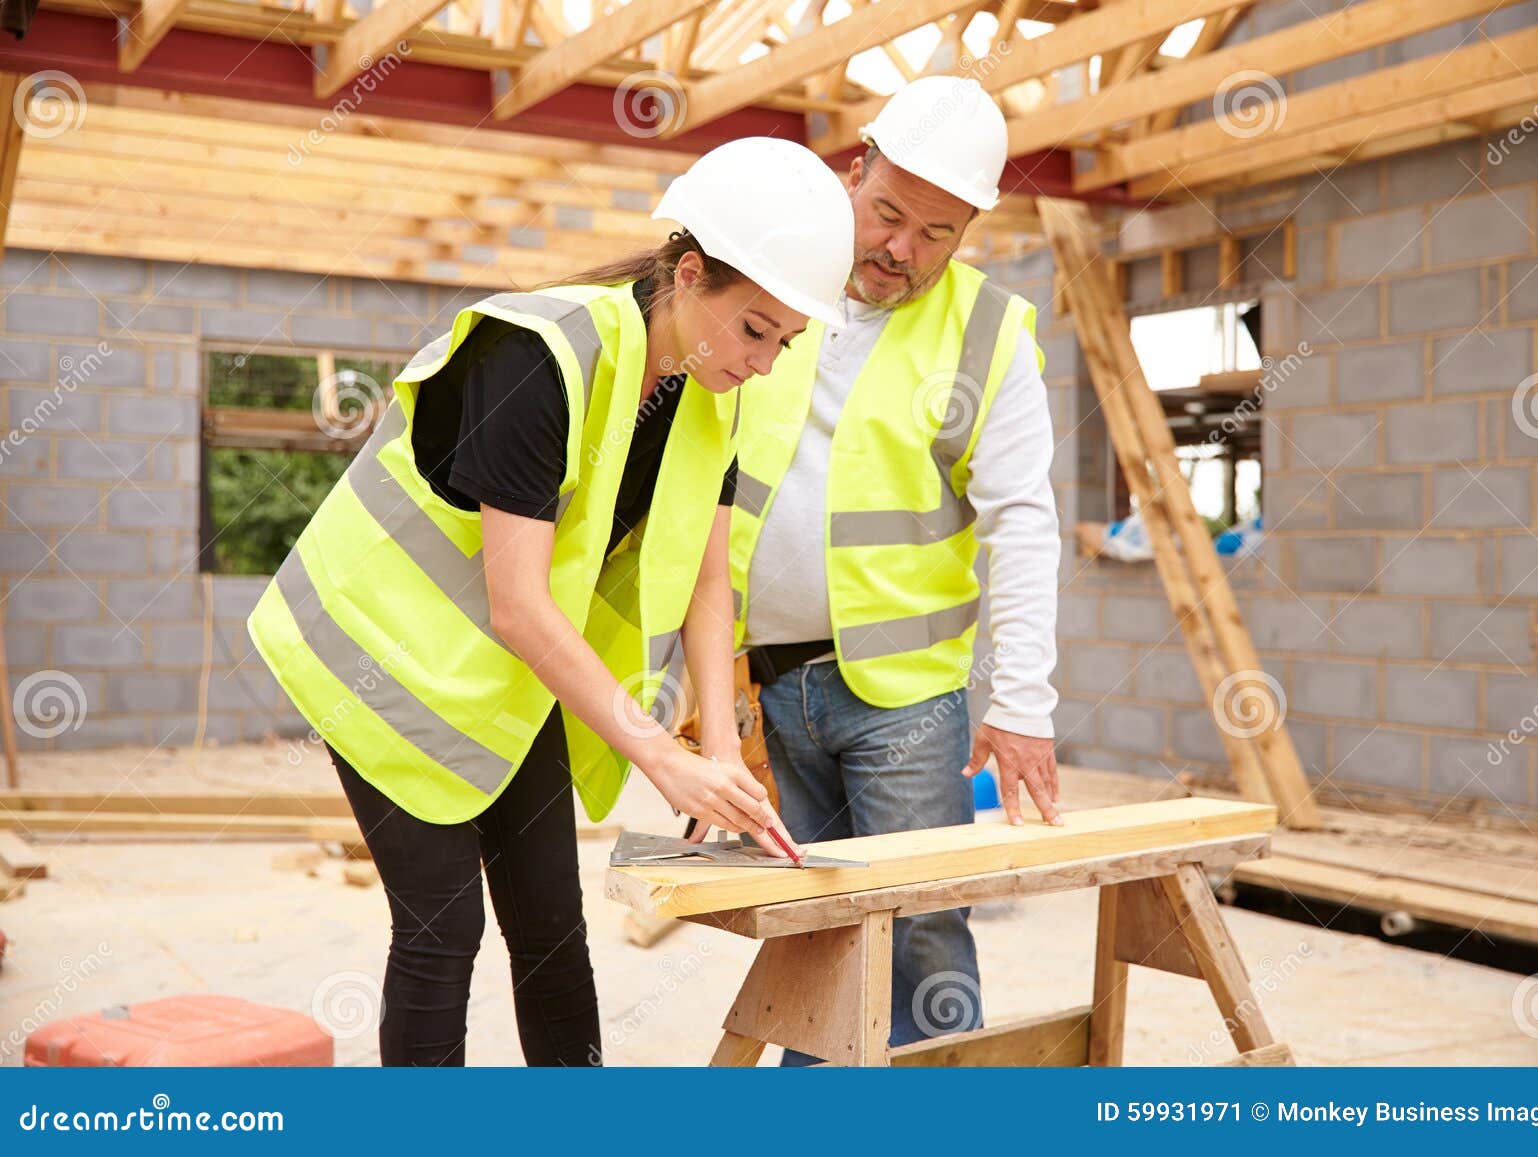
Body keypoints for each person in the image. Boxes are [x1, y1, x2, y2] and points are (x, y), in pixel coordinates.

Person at [246, 137, 855, 1067]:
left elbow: (703, 576)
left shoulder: (710, 391)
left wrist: (721, 757)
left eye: (786, 341)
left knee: (551, 929)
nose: (766, 363)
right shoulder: (539, 356)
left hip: (506, 674)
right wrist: (657, 754)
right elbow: (521, 605)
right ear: (689, 276)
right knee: (444, 931)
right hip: (380, 658)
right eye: (755, 329)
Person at [725, 78, 1063, 1062]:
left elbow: (1024, 520)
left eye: (936, 233)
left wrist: (1024, 699)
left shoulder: (988, 332)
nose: (900, 251)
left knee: (918, 928)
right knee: (814, 924)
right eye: (886, 214)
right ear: (852, 170)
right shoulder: (769, 283)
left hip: (906, 700)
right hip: (768, 680)